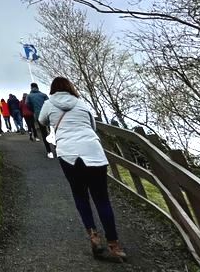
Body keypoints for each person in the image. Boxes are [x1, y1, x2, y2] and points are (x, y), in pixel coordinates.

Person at [39, 76, 126, 261]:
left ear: (53, 89)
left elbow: (41, 120)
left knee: (80, 196)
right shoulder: (81, 103)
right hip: (92, 151)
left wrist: (54, 123)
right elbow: (93, 125)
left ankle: (94, 236)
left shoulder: (48, 103)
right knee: (102, 199)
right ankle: (114, 245)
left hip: (68, 153)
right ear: (70, 87)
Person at [27, 82, 52, 156]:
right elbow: (49, 103)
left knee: (44, 132)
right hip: (48, 114)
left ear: (31, 88)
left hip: (38, 115)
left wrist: (33, 110)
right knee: (52, 131)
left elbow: (27, 105)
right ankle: (57, 148)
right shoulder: (43, 95)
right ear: (38, 87)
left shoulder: (29, 96)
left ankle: (49, 151)